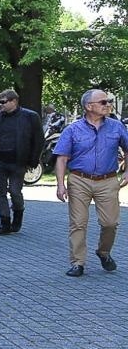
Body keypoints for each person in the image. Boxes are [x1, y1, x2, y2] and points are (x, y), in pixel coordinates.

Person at [54, 88, 128, 277]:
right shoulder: (72, 129)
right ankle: (78, 262)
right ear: (89, 106)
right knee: (78, 223)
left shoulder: (116, 126)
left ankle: (103, 252)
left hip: (108, 180)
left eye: (109, 101)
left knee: (110, 223)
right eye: (103, 102)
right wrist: (60, 185)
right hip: (79, 180)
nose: (108, 104)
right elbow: (61, 158)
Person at [0, 89, 43, 236]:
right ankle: (4, 223)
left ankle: (18, 214)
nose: (1, 105)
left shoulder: (30, 117)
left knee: (15, 192)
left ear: (14, 101)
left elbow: (38, 140)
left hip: (19, 162)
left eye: (3, 102)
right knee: (0, 193)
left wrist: (33, 160)